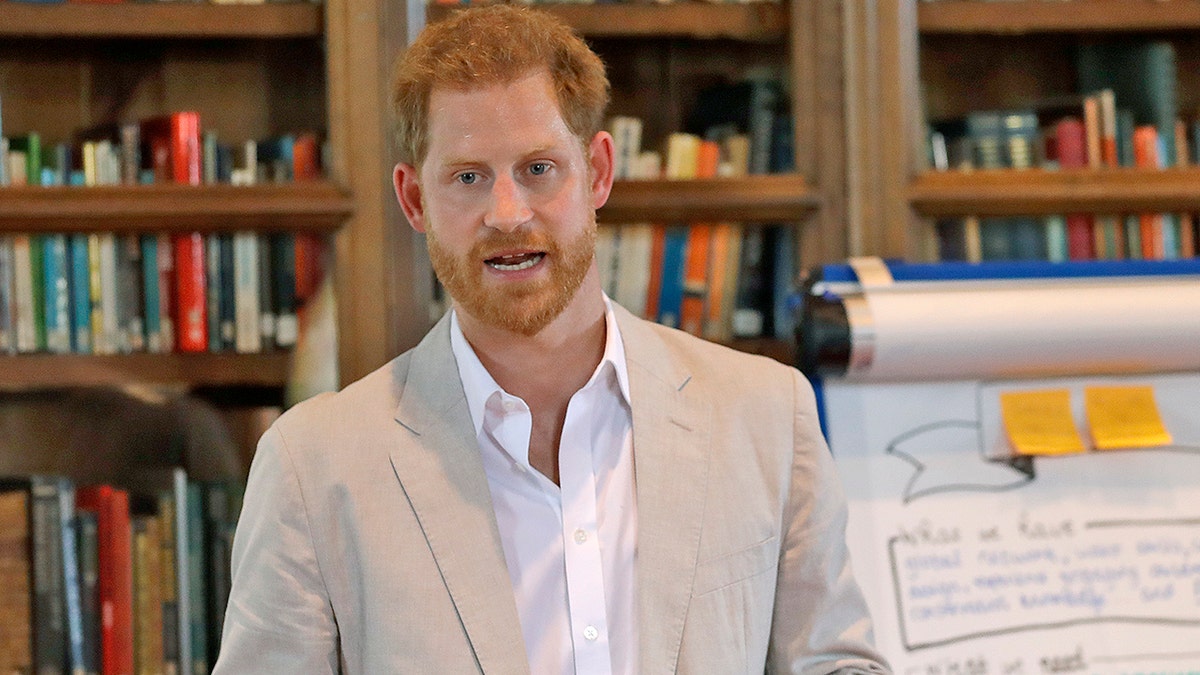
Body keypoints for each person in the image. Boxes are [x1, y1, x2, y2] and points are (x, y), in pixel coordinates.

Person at [213, 5, 890, 674]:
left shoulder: (767, 416)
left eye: (539, 168)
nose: (508, 214)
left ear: (597, 172)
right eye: (469, 177)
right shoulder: (312, 469)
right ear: (414, 199)